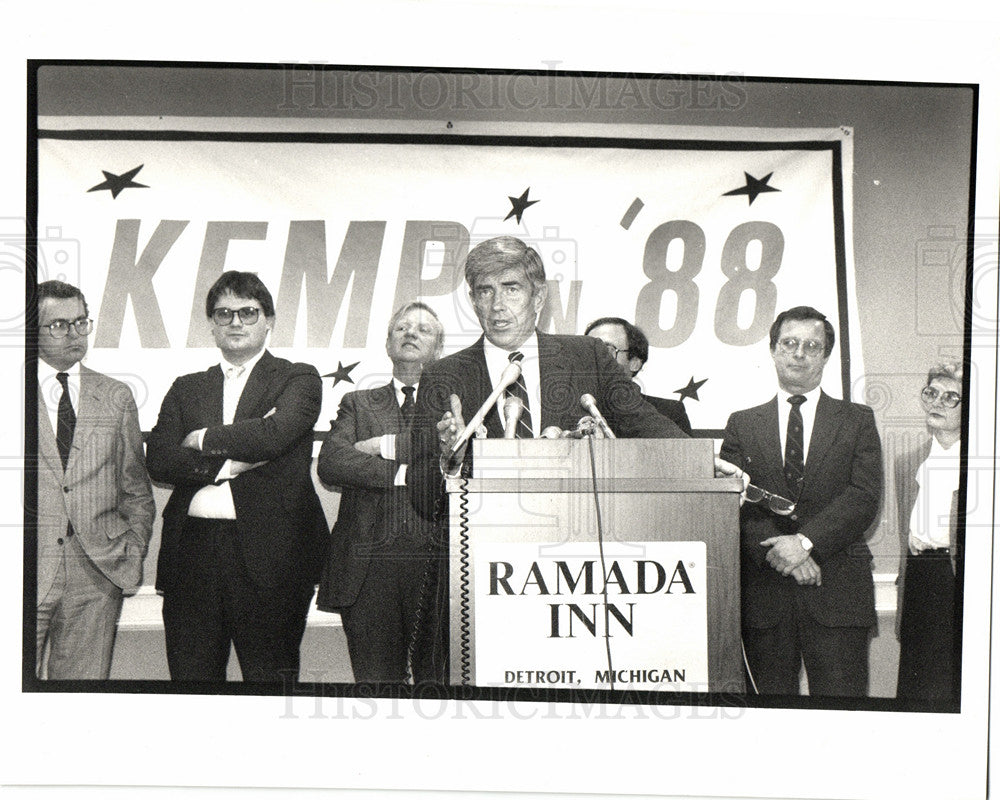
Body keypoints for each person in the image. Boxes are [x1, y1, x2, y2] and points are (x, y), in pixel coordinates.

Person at [409, 236, 689, 521]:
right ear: (473, 301)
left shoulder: (587, 356)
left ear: (539, 296)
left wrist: (704, 465)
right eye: (485, 292)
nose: (497, 305)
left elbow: (649, 426)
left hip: (576, 539)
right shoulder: (442, 376)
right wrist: (449, 460)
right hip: (482, 548)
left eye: (511, 289)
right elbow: (421, 501)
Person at [145, 271, 328, 683]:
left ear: (269, 320)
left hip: (274, 555)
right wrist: (228, 464)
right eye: (224, 313)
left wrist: (201, 438)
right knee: (192, 683)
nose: (236, 322)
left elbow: (275, 435)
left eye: (249, 312)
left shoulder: (298, 377)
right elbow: (159, 460)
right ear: (211, 324)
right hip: (191, 553)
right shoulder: (186, 388)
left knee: (271, 686)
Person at [719, 305, 882, 697]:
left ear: (826, 355)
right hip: (765, 596)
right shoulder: (742, 423)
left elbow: (863, 496)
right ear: (773, 349)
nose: (799, 353)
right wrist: (783, 553)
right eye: (789, 343)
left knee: (843, 718)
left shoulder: (857, 419)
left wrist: (804, 544)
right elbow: (732, 502)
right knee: (767, 725)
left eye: (812, 345)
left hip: (837, 593)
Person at [316, 301, 445, 683]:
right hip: (369, 569)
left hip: (437, 567)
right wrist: (407, 474)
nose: (410, 334)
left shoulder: (455, 404)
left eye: (423, 330)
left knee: (438, 687)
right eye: (402, 328)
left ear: (439, 349)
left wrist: (382, 445)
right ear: (388, 344)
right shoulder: (358, 402)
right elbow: (333, 463)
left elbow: (456, 452)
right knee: (376, 689)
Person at [35, 280, 155, 679]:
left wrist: (131, 552)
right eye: (58, 325)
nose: (73, 334)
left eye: (80, 322)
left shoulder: (116, 395)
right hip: (23, 569)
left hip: (96, 572)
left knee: (78, 699)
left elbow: (135, 489)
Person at [895, 361, 962, 701]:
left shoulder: (984, 463)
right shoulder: (908, 462)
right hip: (919, 583)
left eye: (952, 397)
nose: (937, 402)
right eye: (932, 393)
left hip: (958, 584)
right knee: (915, 689)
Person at [584, 316, 692, 434]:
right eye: (588, 351)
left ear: (634, 363)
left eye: (606, 351)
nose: (594, 359)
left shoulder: (668, 412)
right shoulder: (568, 410)